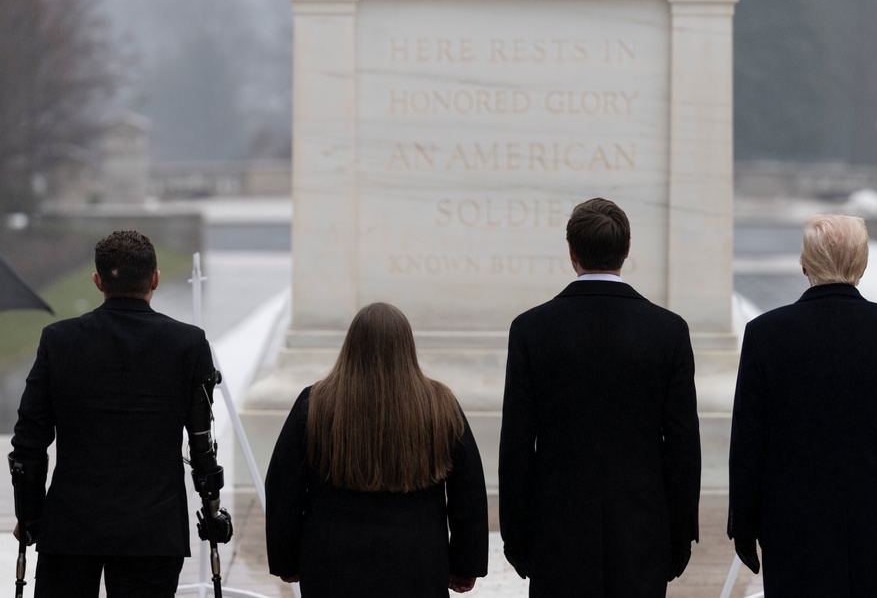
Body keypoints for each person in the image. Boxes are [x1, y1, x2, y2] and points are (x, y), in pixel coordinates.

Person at [8, 229, 233, 598]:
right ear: (155, 279)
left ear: (97, 281)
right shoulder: (188, 344)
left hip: (71, 525)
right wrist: (212, 510)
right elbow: (201, 442)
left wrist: (29, 514)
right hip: (154, 528)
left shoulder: (58, 340)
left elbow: (29, 439)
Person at [498, 197, 702, 598]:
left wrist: (516, 537)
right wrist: (680, 535)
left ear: (571, 252)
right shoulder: (668, 332)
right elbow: (682, 448)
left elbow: (517, 446)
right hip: (641, 531)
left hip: (558, 532)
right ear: (626, 250)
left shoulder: (530, 330)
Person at [728, 214, 877, 598]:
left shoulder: (765, 335)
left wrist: (743, 524)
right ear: (862, 265)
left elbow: (748, 440)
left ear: (804, 264)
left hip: (795, 527)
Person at [265, 302, 489, 596]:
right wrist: (465, 563)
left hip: (332, 562)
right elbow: (468, 492)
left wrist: (286, 558)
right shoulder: (440, 403)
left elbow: (283, 486)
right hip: (417, 561)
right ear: (407, 345)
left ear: (351, 345)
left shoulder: (316, 402)